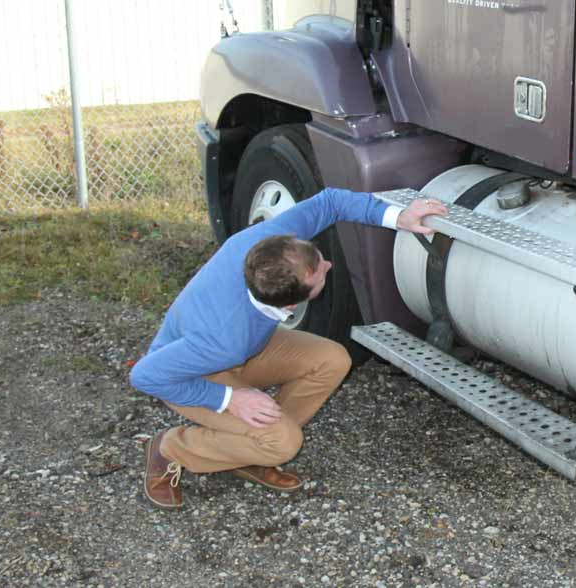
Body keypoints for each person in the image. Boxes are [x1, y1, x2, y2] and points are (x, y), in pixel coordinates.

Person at [130, 187, 447, 509]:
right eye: (321, 274)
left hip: (243, 351)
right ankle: (171, 448)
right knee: (284, 444)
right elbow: (146, 375)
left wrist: (399, 217)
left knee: (332, 359)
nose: (328, 265)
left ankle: (248, 447)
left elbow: (331, 202)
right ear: (294, 303)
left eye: (318, 258)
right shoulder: (225, 336)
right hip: (190, 373)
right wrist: (229, 399)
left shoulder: (271, 246)